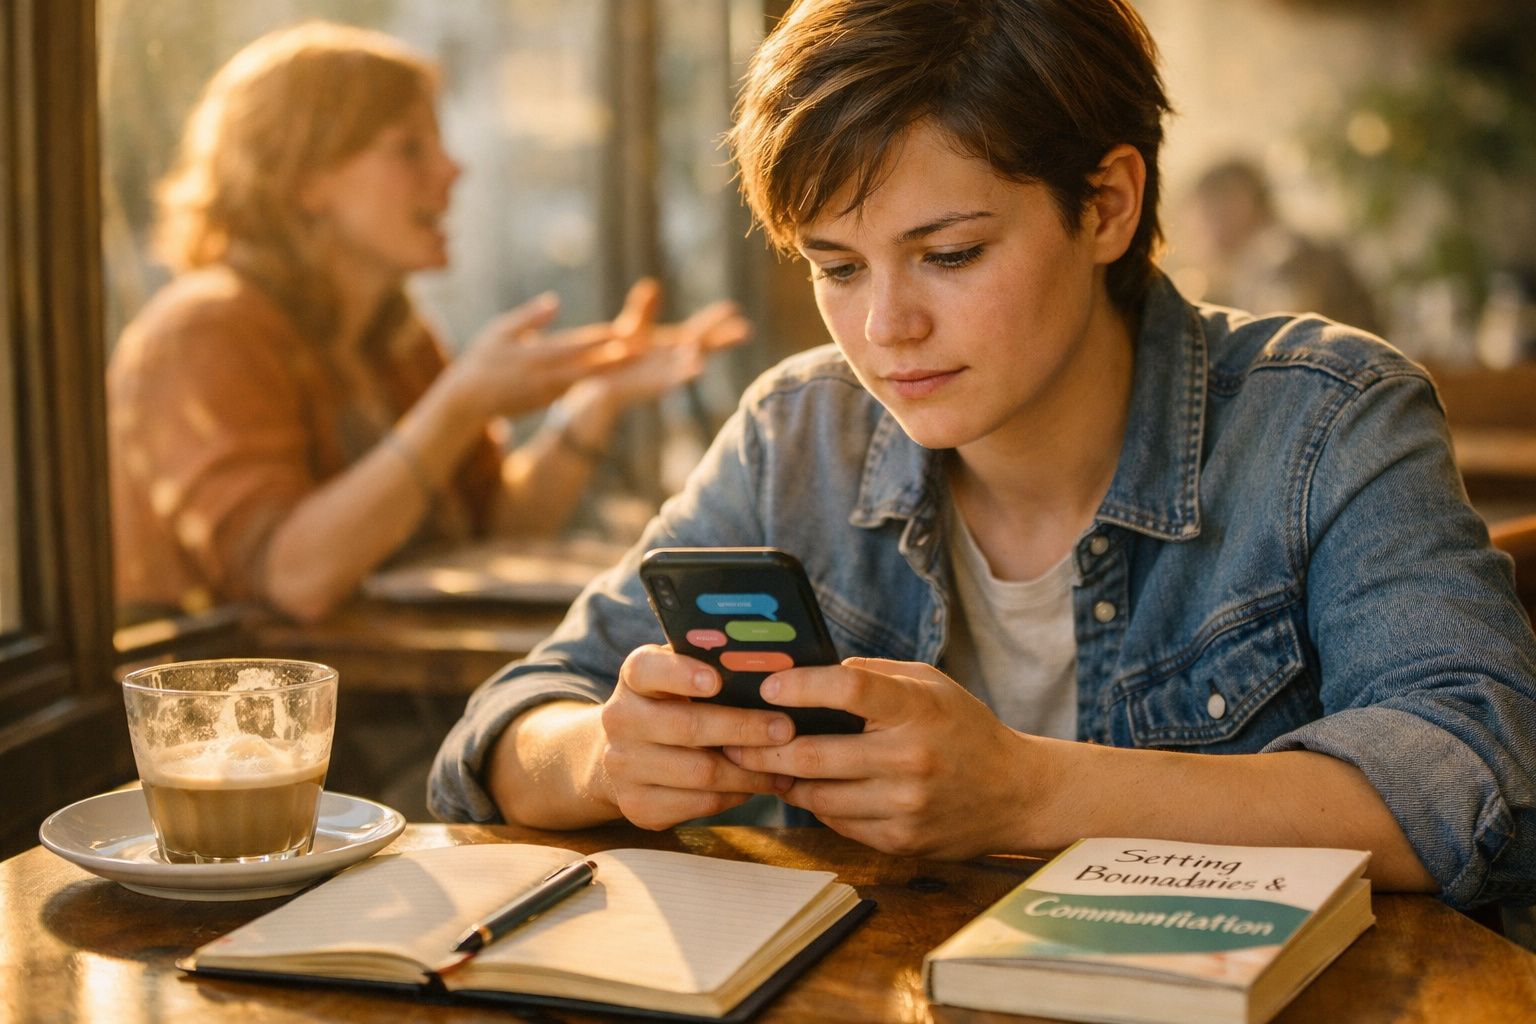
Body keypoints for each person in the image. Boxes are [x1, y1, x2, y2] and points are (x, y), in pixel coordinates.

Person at [429, 0, 1536, 910]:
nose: (884, 329)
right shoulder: (796, 435)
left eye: (949, 253)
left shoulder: (1328, 418)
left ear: (1106, 206)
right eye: (840, 268)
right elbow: (503, 730)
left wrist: (1023, 791)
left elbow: (1481, 779)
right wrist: (599, 756)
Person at [109, 21, 748, 624]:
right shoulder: (203, 333)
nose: (451, 169)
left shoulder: (397, 339)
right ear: (303, 181)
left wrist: (598, 396)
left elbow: (501, 531)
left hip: (391, 709)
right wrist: (459, 405)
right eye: (409, 147)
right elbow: (293, 579)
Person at [1183, 157, 1383, 334]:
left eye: (1203, 215)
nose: (1198, 232)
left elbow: (1284, 352)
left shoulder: (1291, 263)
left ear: (1240, 203)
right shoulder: (1264, 264)